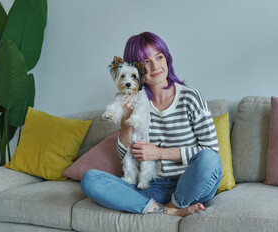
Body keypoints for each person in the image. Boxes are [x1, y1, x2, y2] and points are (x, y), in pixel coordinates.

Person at [81, 32, 222, 217]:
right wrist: (127, 122)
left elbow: (211, 151)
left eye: (159, 57)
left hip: (191, 184)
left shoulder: (190, 97)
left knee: (209, 160)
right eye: (146, 61)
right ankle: (167, 211)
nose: (155, 66)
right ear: (136, 67)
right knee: (90, 179)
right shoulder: (134, 101)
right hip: (152, 186)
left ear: (166, 58)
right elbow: (126, 154)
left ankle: (172, 206)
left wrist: (159, 153)